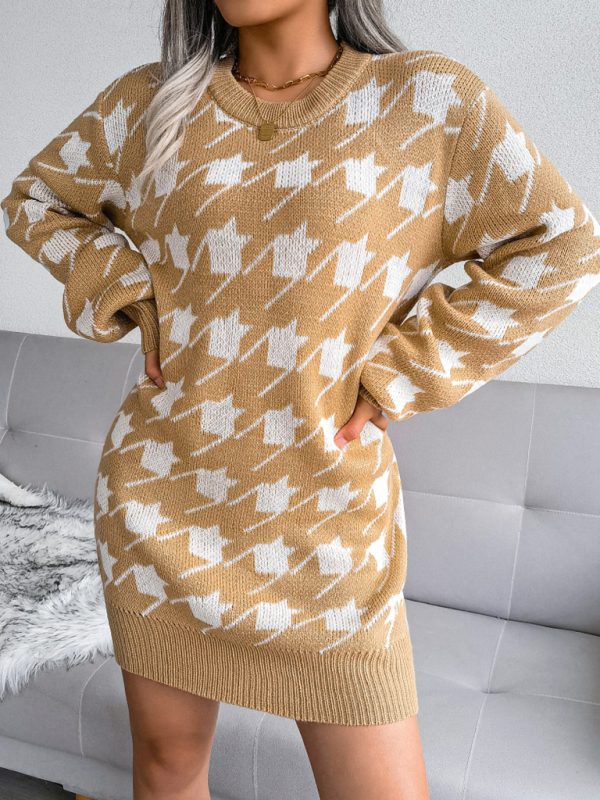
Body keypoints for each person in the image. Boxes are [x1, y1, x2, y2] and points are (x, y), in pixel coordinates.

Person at [2, 1, 599, 799]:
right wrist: (127, 289)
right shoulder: (150, 102)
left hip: (330, 529)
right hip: (161, 507)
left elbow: (562, 245)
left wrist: (402, 373)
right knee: (167, 769)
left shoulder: (427, 100)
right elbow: (36, 200)